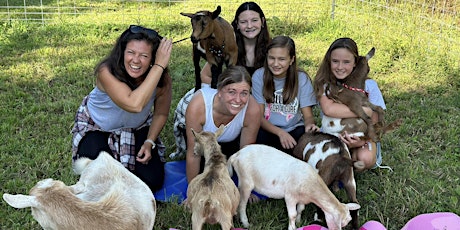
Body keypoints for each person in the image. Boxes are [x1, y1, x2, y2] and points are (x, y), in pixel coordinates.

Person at [71, 25, 173, 192]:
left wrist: (149, 141)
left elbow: (161, 113)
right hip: (98, 129)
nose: (136, 60)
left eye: (144, 55)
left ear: (153, 58)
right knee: (101, 181)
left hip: (136, 128)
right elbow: (134, 104)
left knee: (152, 182)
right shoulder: (106, 71)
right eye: (131, 52)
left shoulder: (161, 78)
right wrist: (159, 66)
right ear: (122, 52)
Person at [171, 1, 271, 159]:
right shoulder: (225, 41)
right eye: (243, 22)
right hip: (225, 98)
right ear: (236, 24)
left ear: (262, 22)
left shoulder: (270, 51)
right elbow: (207, 75)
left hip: (252, 103)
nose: (249, 26)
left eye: (254, 20)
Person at [313, 37, 386, 170]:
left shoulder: (369, 86)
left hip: (362, 135)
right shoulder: (326, 85)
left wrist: (363, 140)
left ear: (355, 63)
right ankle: (343, 162)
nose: (340, 67)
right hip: (333, 134)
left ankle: (352, 158)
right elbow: (329, 109)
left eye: (346, 62)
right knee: (326, 162)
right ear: (329, 61)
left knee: (365, 159)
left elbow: (376, 121)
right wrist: (366, 111)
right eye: (335, 61)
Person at [185, 65, 261, 182]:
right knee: (204, 173)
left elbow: (246, 154)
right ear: (219, 91)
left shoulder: (252, 109)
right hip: (201, 143)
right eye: (232, 92)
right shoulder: (199, 106)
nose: (238, 99)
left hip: (228, 143)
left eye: (244, 93)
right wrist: (192, 191)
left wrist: (246, 189)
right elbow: (194, 154)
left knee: (226, 171)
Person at [252, 36, 319, 155]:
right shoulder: (259, 76)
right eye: (271, 58)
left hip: (293, 129)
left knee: (307, 145)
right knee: (255, 138)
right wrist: (280, 133)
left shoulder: (301, 78)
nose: (276, 64)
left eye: (282, 59)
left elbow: (308, 115)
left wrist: (310, 125)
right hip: (267, 128)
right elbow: (258, 117)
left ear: (292, 59)